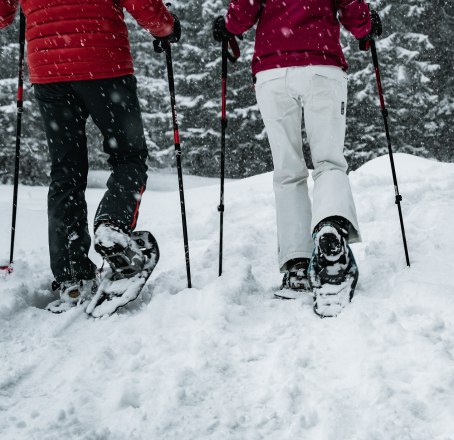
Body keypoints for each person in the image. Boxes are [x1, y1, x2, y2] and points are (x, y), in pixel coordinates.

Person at [0, 0, 181, 312]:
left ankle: (72, 277)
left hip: (50, 71)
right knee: (128, 157)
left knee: (65, 171)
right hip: (104, 64)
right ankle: (112, 226)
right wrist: (166, 27)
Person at [213, 0, 382, 317]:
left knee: (288, 171)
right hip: (321, 66)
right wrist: (366, 26)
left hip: (273, 71)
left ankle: (297, 265)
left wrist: (228, 26)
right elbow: (351, 8)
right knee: (328, 162)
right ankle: (330, 230)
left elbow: (244, 9)